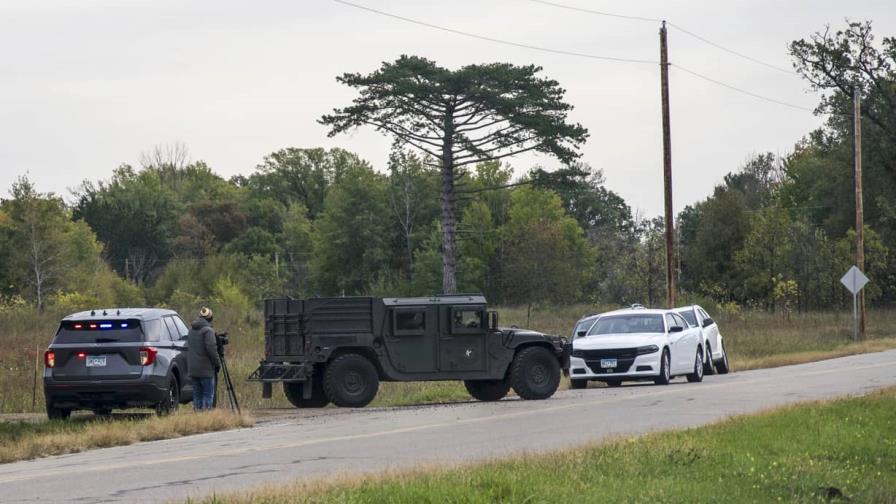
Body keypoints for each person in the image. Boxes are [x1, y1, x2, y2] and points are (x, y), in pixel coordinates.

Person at [187, 306, 222, 411]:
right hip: (206, 369)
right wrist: (217, 363)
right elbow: (211, 349)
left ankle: (198, 418)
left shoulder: (191, 330)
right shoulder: (208, 331)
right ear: (210, 318)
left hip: (193, 368)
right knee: (208, 394)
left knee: (197, 394)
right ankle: (206, 417)